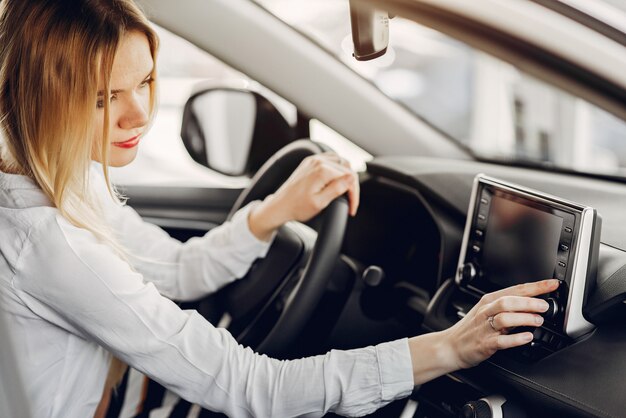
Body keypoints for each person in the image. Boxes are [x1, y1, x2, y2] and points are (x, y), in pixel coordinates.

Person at [0, 1, 559, 417]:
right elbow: (247, 385)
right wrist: (450, 346)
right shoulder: (49, 242)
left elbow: (176, 271)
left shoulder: (66, 175)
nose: (139, 115)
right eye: (102, 98)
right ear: (32, 96)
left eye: (144, 81)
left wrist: (274, 212)